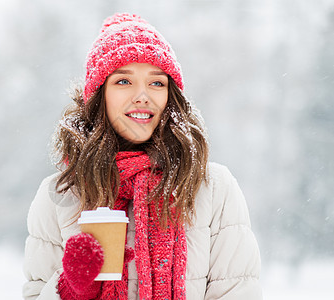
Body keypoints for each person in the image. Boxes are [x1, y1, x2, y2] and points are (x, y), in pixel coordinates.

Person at [22, 13, 262, 300]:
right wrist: (71, 290)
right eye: (123, 81)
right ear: (100, 95)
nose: (142, 95)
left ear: (170, 96)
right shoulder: (61, 194)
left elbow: (238, 292)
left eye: (157, 83)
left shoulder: (213, 188)